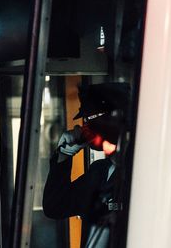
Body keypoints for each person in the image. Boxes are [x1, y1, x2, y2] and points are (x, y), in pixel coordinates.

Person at [43, 82, 131, 248]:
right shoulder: (100, 172)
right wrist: (64, 156)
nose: (85, 127)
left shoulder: (145, 170)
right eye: (86, 122)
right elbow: (54, 206)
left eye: (90, 120)